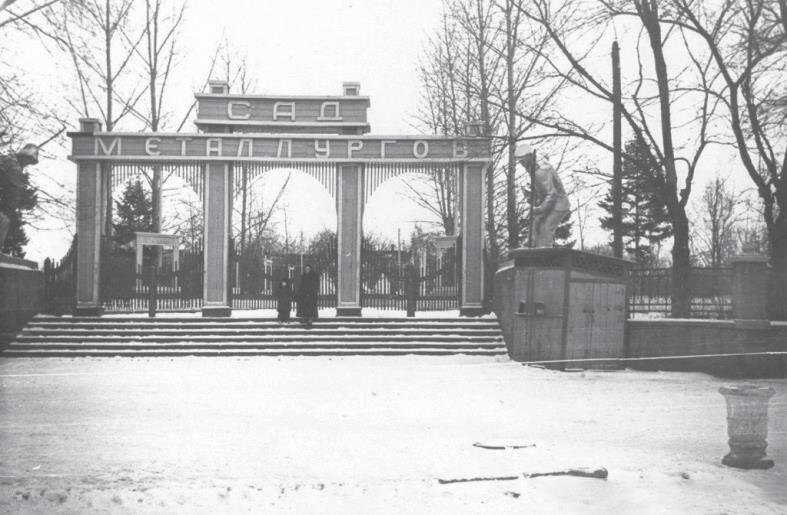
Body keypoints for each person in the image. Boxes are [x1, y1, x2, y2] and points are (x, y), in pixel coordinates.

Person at [515, 143, 570, 248]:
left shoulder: (540, 171)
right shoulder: (533, 165)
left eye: (522, 160)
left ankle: (545, 253)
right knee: (535, 222)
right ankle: (531, 243)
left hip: (559, 203)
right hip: (548, 201)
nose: (521, 163)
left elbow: (552, 194)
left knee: (546, 228)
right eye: (519, 161)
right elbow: (542, 187)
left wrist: (539, 209)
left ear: (529, 157)